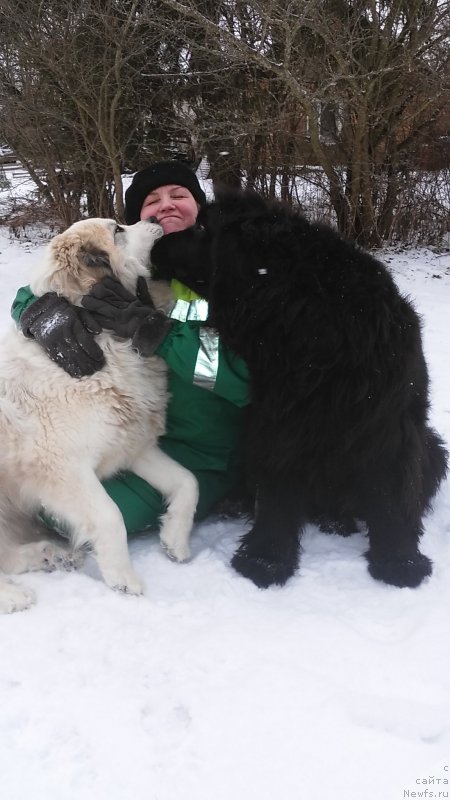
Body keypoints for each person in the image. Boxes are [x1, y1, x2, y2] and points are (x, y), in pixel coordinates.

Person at [11, 160, 250, 534]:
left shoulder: (236, 262)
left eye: (179, 195)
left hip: (200, 450)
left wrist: (160, 333)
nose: (166, 204)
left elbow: (242, 380)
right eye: (152, 200)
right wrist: (39, 312)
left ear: (198, 205)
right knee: (34, 486)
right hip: (129, 436)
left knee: (68, 516)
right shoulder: (134, 261)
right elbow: (45, 281)